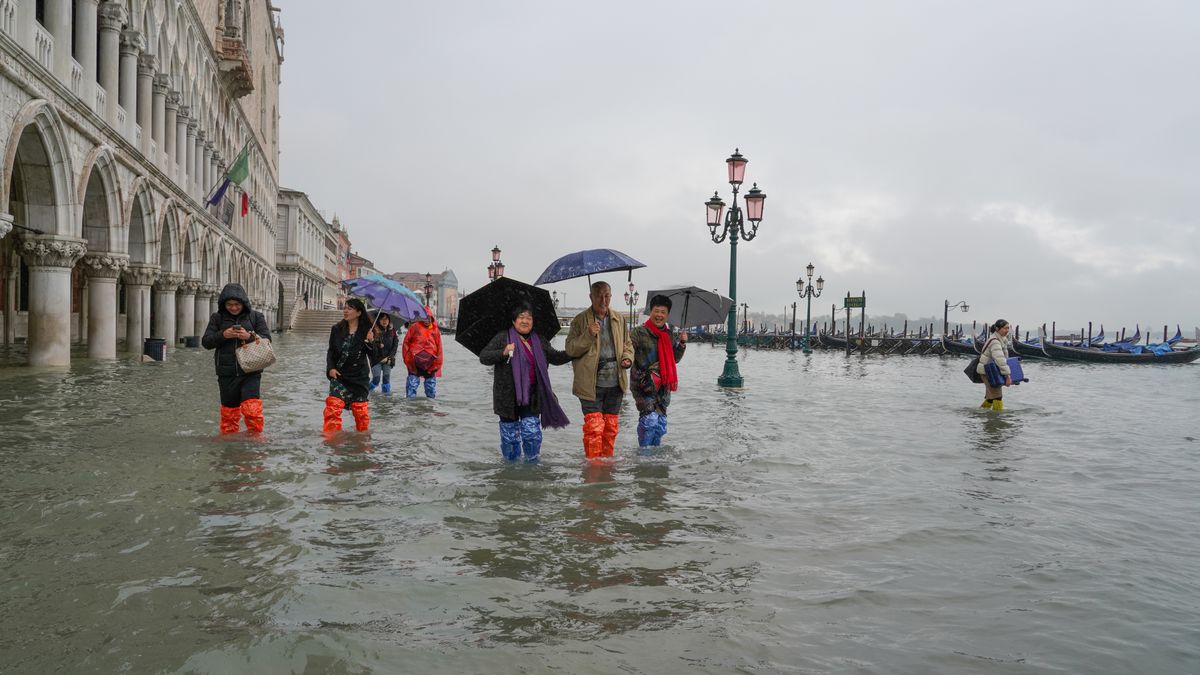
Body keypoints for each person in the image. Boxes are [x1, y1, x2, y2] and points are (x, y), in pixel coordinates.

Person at [479, 303, 573, 461]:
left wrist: (575, 351)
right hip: (507, 397)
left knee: (531, 432)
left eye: (529, 318)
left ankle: (532, 465)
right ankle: (511, 468)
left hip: (532, 395)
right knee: (510, 437)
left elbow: (555, 357)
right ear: (514, 321)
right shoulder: (503, 337)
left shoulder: (539, 340)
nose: (525, 321)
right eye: (521, 317)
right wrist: (503, 352)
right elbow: (484, 357)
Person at [566, 281, 633, 460]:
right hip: (590, 384)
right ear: (591, 297)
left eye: (606, 296)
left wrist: (627, 358)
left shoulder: (619, 318)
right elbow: (571, 349)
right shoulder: (580, 320)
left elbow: (628, 344)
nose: (603, 300)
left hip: (615, 381)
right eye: (598, 296)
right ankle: (593, 471)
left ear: (610, 296)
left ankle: (606, 471)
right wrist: (588, 334)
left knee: (610, 429)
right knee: (594, 428)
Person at [201, 282, 271, 434]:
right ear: (223, 304)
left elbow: (267, 339)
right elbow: (206, 342)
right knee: (229, 415)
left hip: (251, 371)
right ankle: (230, 446)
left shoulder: (256, 317)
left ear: (243, 303)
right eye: (229, 304)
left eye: (237, 304)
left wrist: (249, 336)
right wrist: (223, 335)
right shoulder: (217, 318)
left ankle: (255, 438)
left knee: (252, 410)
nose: (233, 307)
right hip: (226, 373)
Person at [630, 294, 687, 448]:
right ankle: (643, 459)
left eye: (663, 312)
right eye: (657, 311)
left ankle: (655, 464)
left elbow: (674, 359)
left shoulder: (668, 334)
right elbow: (628, 351)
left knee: (660, 425)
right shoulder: (639, 332)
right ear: (651, 312)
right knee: (649, 421)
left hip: (663, 387)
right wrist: (625, 360)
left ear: (667, 315)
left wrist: (681, 343)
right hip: (643, 386)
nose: (659, 315)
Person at [324, 298, 381, 431]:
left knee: (361, 413)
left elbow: (375, 357)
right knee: (333, 409)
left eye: (349, 308)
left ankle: (361, 441)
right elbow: (331, 351)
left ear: (359, 312)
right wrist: (330, 368)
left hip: (359, 378)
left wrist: (371, 342)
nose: (345, 311)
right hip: (339, 376)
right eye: (345, 308)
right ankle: (331, 440)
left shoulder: (368, 331)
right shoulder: (337, 329)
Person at [402, 306, 443, 398]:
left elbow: (439, 347)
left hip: (430, 363)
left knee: (430, 388)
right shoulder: (414, 327)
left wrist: (437, 364)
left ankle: (429, 408)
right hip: (414, 362)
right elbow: (406, 343)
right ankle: (410, 407)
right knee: (412, 385)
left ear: (431, 318)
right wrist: (407, 359)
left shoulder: (435, 330)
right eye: (424, 317)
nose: (426, 320)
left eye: (428, 318)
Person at [977, 319, 1013, 410]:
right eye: (1005, 328)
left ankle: (980, 413)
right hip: (988, 372)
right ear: (997, 329)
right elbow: (1000, 359)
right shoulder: (995, 342)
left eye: (1008, 328)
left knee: (991, 398)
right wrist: (1007, 375)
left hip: (990, 371)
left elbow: (1004, 358)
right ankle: (999, 419)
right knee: (997, 396)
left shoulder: (1002, 340)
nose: (1007, 330)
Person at [368, 313, 399, 395]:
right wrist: (377, 344)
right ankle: (366, 391)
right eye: (382, 319)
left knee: (386, 379)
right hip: (376, 359)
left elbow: (395, 346)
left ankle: (386, 399)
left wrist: (390, 357)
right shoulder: (373, 330)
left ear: (389, 320)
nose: (384, 321)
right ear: (379, 320)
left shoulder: (392, 331)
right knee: (376, 379)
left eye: (386, 319)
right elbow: (370, 346)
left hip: (387, 359)